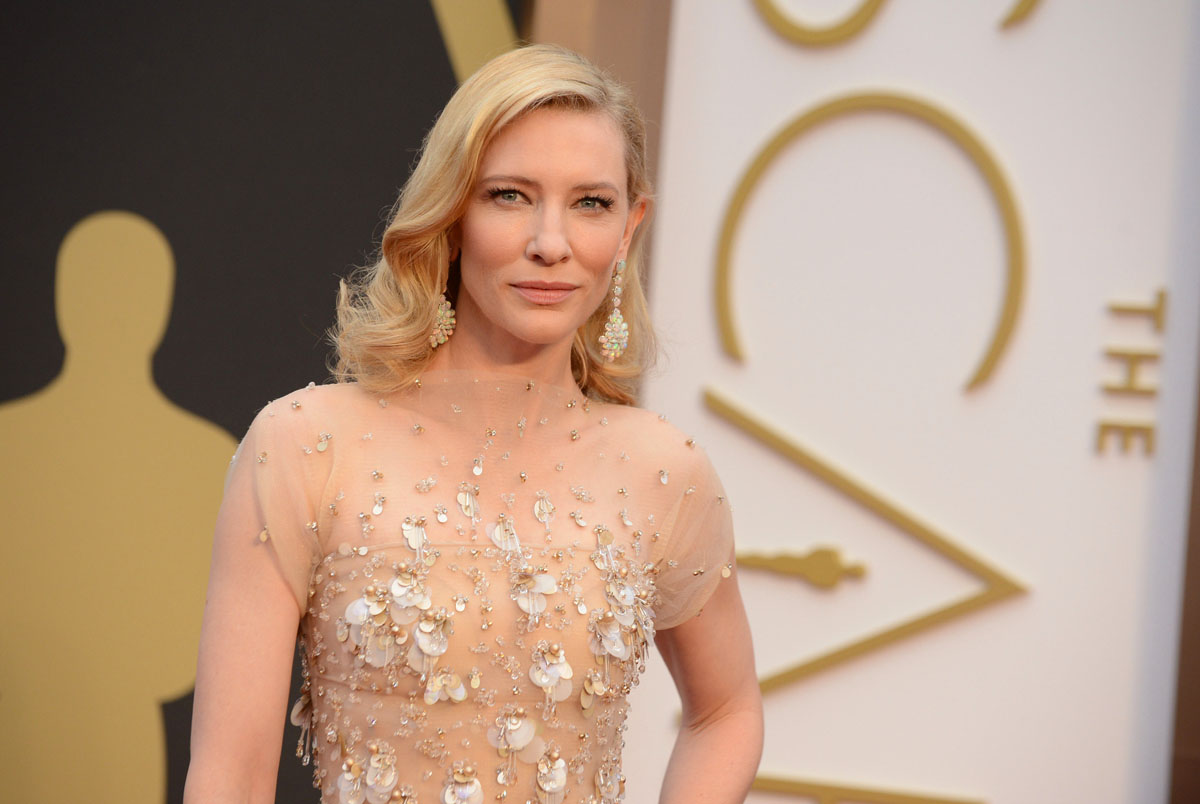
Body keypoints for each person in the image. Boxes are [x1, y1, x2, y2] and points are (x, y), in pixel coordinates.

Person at [184, 44, 762, 804]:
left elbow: (727, 710)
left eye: (591, 203)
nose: (550, 243)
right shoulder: (304, 446)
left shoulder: (662, 472)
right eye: (510, 196)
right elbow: (230, 775)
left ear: (630, 227)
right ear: (453, 211)